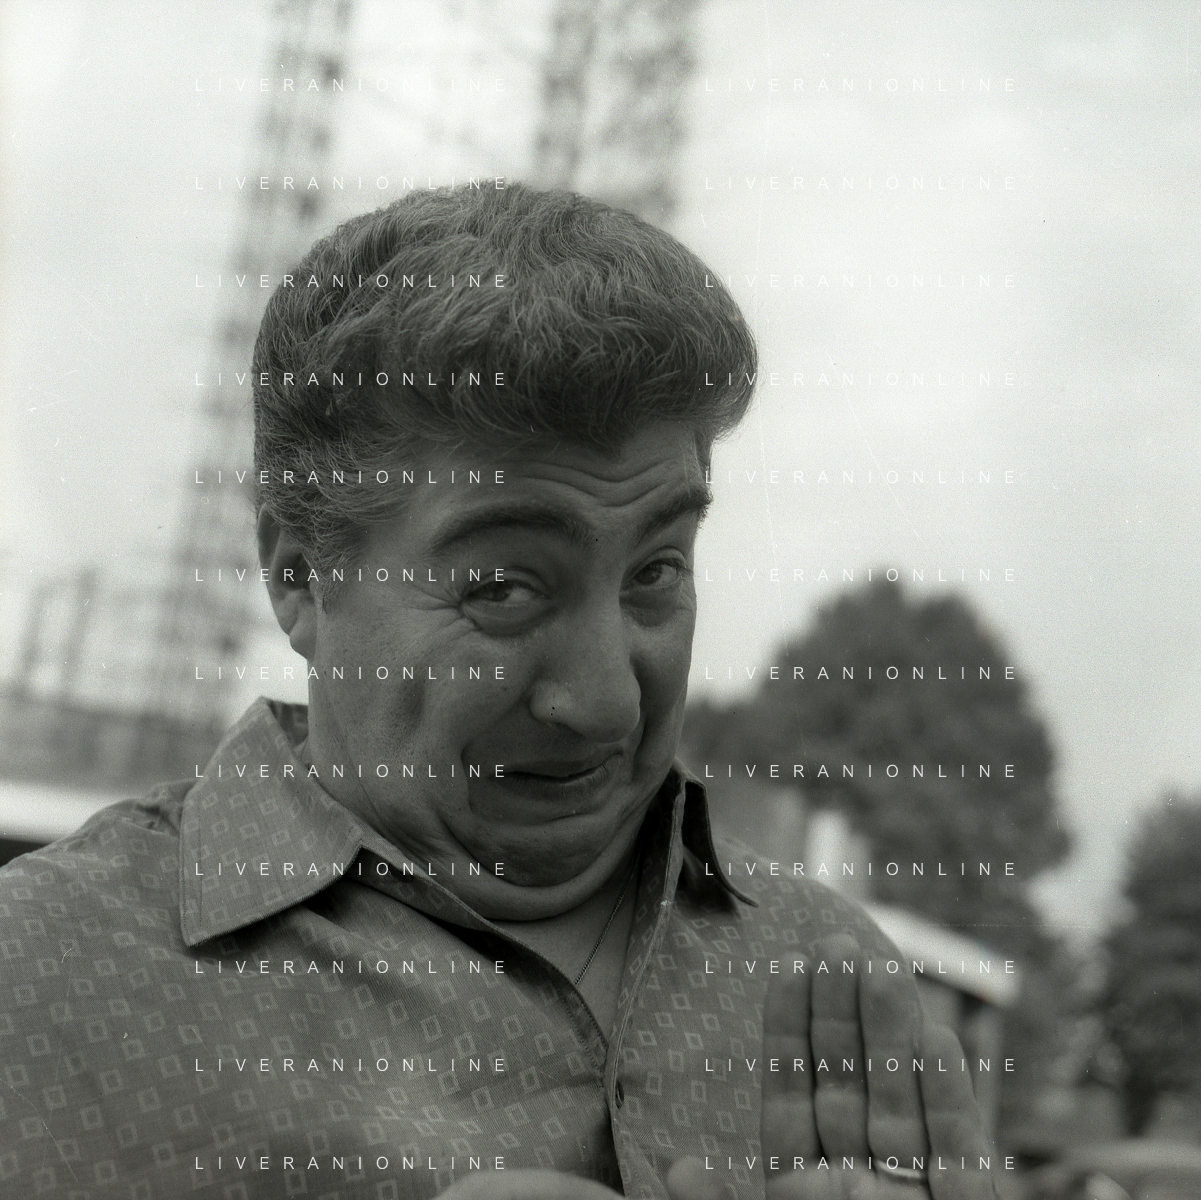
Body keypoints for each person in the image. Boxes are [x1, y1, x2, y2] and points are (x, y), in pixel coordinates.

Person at [0, 183, 994, 1199]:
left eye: (655, 572)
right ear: (300, 576)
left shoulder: (829, 982)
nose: (606, 704)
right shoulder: (42, 978)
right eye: (503, 588)